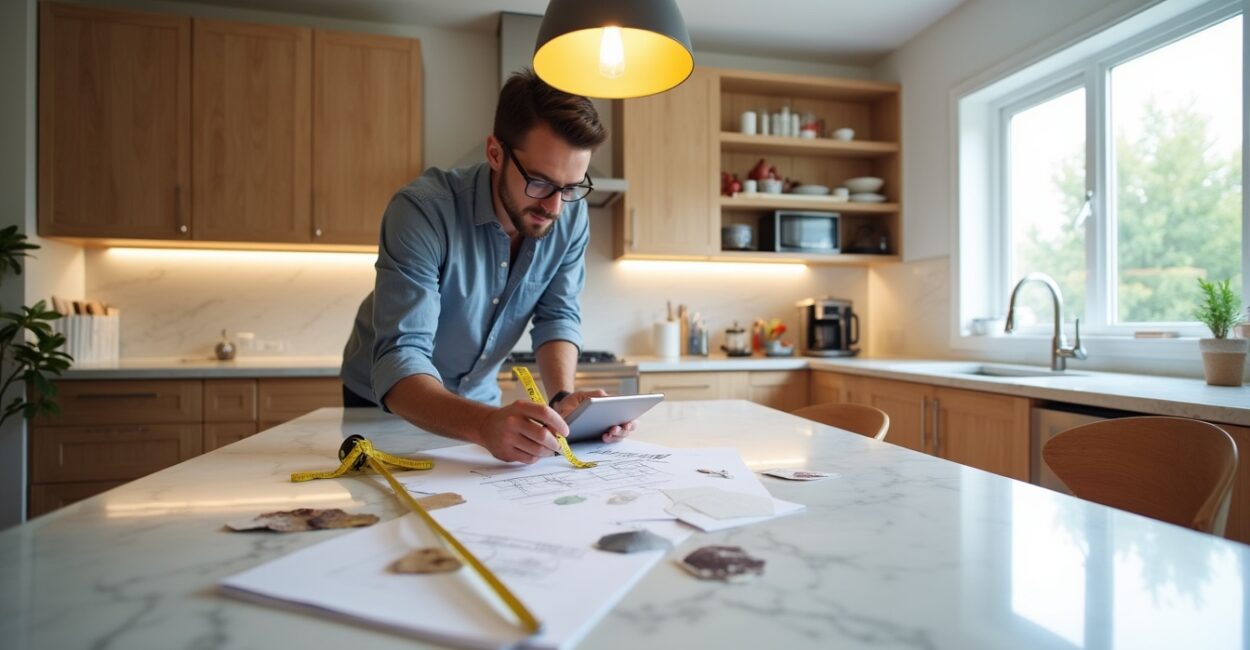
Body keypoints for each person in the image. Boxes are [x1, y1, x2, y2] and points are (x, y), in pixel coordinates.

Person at [341, 69, 633, 464]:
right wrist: (482, 425)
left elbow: (557, 314)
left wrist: (563, 401)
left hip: (479, 402)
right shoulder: (421, 211)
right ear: (495, 153)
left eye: (570, 188)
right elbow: (400, 359)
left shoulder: (569, 216)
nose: (554, 207)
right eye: (541, 183)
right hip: (388, 402)